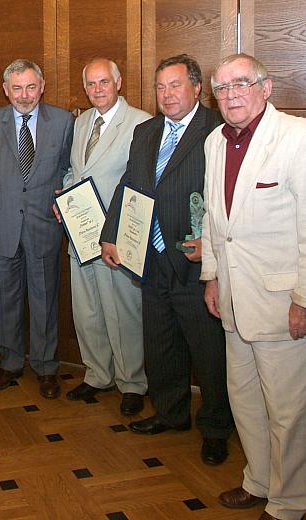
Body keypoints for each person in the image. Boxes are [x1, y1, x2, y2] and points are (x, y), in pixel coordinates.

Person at [99, 54, 233, 466]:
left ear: (197, 89)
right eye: (161, 87)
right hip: (150, 257)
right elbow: (129, 185)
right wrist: (110, 234)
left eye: (176, 85)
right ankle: (172, 414)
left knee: (209, 353)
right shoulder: (145, 132)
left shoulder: (218, 131)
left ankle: (215, 428)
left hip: (197, 264)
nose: (167, 94)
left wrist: (209, 243)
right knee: (161, 345)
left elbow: (227, 195)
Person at [202, 53, 306, 520]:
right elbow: (211, 218)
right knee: (244, 399)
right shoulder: (214, 143)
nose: (230, 95)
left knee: (288, 411)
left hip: (280, 300)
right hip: (231, 299)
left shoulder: (296, 139)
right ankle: (259, 480)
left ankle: (291, 500)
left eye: (241, 83)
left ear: (266, 88)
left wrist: (304, 299)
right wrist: (211, 276)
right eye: (221, 88)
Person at [0, 59, 73, 399]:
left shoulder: (63, 121)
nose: (24, 95)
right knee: (7, 297)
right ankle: (11, 362)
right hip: (2, 224)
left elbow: (68, 168)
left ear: (42, 86)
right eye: (17, 88)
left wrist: (62, 190)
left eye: (31, 87)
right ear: (5, 90)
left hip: (44, 224)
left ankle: (46, 367)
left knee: (45, 298)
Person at [58, 58, 150, 415]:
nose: (97, 90)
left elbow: (141, 183)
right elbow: (74, 171)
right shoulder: (81, 122)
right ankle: (97, 374)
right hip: (80, 233)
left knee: (122, 309)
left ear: (118, 82)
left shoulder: (140, 123)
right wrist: (62, 200)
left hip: (116, 236)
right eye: (91, 84)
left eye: (104, 82)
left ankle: (132, 382)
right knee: (88, 309)